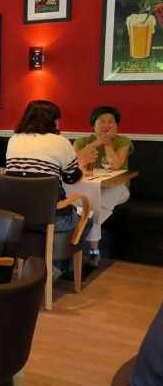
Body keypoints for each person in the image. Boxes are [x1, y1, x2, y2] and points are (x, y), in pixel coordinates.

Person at [5, 100, 97, 281]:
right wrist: (80, 161)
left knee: (53, 214)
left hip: (16, 217)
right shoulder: (60, 142)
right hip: (50, 218)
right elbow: (73, 179)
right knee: (88, 218)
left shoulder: (14, 139)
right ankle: (57, 267)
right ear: (53, 120)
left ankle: (34, 265)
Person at [73, 106, 133, 267]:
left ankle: (89, 252)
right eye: (102, 121)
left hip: (118, 188)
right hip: (89, 188)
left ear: (116, 125)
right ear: (93, 124)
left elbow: (115, 166)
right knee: (91, 208)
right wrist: (97, 141)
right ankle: (93, 252)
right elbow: (72, 161)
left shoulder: (123, 141)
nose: (107, 125)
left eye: (111, 122)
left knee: (92, 210)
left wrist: (107, 144)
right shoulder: (82, 141)